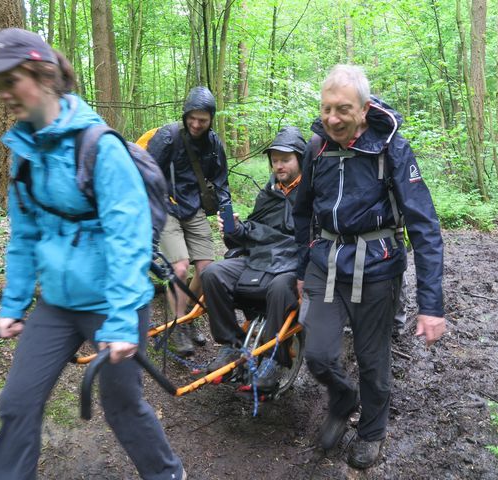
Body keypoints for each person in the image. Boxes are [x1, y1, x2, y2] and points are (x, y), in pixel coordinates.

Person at [0, 28, 184, 480]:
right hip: (58, 304)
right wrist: (14, 304)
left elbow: (129, 241)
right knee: (17, 402)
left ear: (43, 75)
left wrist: (121, 323)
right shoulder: (25, 152)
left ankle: (167, 474)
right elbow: (24, 238)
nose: (2, 95)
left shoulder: (99, 147)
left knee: (122, 407)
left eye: (9, 81)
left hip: (113, 303)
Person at [293, 65, 446, 469]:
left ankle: (372, 432)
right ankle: (344, 398)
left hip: (377, 269)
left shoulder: (391, 148)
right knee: (319, 354)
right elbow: (301, 210)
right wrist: (298, 267)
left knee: (372, 358)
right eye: (326, 109)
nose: (332, 119)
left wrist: (431, 305)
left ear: (364, 110)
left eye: (343, 109)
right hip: (325, 264)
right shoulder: (317, 148)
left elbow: (424, 226)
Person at [201, 127, 306, 391]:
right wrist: (235, 229)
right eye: (275, 159)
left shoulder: (312, 195)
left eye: (286, 159)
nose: (279, 165)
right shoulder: (268, 194)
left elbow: (315, 240)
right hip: (258, 258)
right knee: (212, 273)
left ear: (300, 160)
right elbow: (251, 233)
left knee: (282, 286)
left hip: (291, 264)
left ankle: (274, 360)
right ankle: (231, 345)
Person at [146, 86, 231, 356]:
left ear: (211, 119)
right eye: (192, 118)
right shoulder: (168, 137)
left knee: (208, 271)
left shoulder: (214, 143)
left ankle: (190, 317)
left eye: (202, 120)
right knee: (180, 268)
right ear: (185, 115)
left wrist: (229, 225)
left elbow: (221, 183)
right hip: (166, 208)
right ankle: (177, 324)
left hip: (193, 209)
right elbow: (146, 174)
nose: (196, 124)